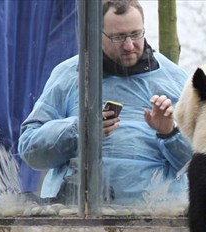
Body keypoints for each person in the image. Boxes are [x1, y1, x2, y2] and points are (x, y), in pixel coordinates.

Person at [19, 0, 191, 205]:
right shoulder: (70, 74)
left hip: (157, 219)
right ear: (97, 34)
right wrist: (80, 129)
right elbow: (31, 151)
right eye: (118, 37)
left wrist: (169, 133)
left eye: (136, 34)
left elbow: (201, 165)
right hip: (76, 216)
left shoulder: (176, 79)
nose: (129, 46)